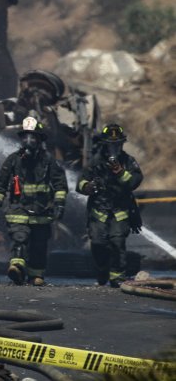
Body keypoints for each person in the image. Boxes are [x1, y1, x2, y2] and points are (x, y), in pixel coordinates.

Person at [0, 116, 68, 286]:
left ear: (40, 140)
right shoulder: (13, 160)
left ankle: (36, 275)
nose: (29, 141)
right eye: (25, 137)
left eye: (33, 137)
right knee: (20, 237)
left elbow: (60, 183)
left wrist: (60, 204)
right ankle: (17, 268)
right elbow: (1, 182)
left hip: (42, 212)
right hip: (18, 210)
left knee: (39, 245)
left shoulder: (48, 161)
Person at [77, 123, 143, 288]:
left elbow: (135, 181)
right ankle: (102, 270)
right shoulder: (95, 161)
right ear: (105, 144)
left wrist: (121, 172)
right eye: (111, 144)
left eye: (117, 144)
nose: (114, 147)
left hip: (120, 211)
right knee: (98, 243)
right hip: (98, 210)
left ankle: (117, 277)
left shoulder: (128, 161)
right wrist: (88, 186)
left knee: (117, 242)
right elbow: (80, 183)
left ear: (121, 144)